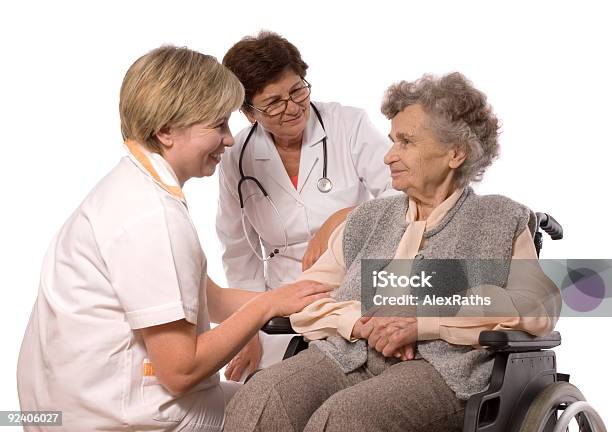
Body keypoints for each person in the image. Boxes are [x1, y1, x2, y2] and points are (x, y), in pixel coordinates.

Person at [223, 72, 562, 432]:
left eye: (406, 142)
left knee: (347, 418)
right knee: (262, 398)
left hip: (440, 368)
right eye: (391, 141)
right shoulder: (368, 218)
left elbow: (537, 307)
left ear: (455, 153)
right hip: (348, 352)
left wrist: (422, 323)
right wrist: (362, 323)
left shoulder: (500, 218)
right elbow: (303, 297)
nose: (388, 156)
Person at [16, 46, 330, 432]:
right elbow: (179, 372)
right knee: (299, 412)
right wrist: (265, 307)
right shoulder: (153, 217)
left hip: (65, 401)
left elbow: (209, 298)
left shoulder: (132, 185)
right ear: (165, 130)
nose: (230, 141)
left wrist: (309, 302)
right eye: (217, 126)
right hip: (119, 416)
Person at [217, 31, 397, 381]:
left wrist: (343, 219)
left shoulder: (348, 124)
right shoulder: (235, 156)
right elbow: (239, 252)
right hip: (281, 301)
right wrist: (249, 329)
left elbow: (404, 195)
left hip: (351, 286)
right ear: (248, 112)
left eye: (297, 90)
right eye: (273, 103)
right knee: (265, 391)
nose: (293, 107)